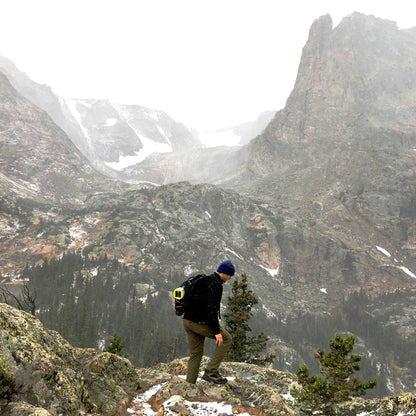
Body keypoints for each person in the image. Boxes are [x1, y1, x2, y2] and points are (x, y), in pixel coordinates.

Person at [183, 260, 235, 384]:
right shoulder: (216, 284)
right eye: (229, 275)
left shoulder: (202, 280)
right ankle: (211, 372)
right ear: (224, 273)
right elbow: (211, 310)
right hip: (199, 323)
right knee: (226, 339)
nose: (230, 278)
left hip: (187, 321)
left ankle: (189, 385)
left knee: (196, 353)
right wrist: (216, 332)